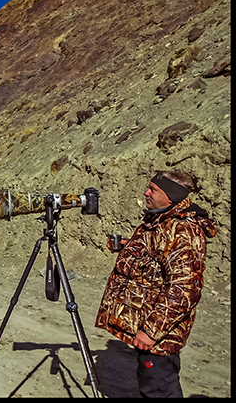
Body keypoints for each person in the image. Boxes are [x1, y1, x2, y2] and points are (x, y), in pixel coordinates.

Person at [95, 170, 217, 397]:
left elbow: (184, 289)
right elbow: (158, 257)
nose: (146, 192)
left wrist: (151, 331)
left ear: (170, 196)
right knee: (152, 383)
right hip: (150, 320)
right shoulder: (161, 221)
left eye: (153, 189)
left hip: (161, 334)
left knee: (158, 388)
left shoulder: (181, 230)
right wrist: (129, 247)